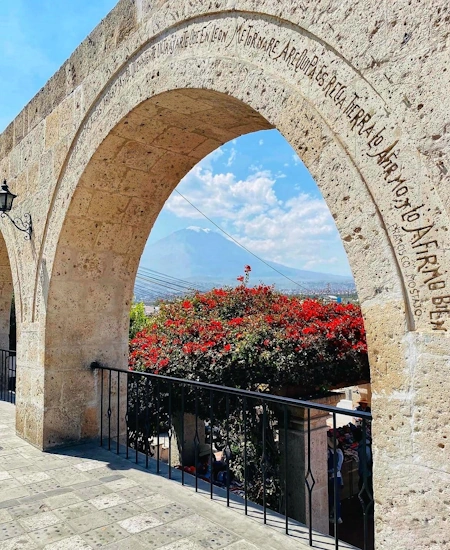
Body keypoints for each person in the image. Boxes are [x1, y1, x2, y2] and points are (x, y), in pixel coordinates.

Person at [327, 432, 344, 524]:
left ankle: (333, 515)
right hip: (338, 477)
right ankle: (337, 516)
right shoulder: (340, 452)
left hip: (331, 477)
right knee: (336, 498)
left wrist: (328, 472)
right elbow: (339, 467)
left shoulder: (329, 453)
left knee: (331, 497)